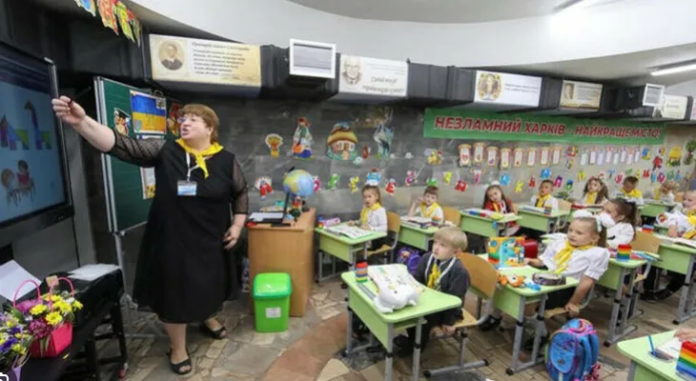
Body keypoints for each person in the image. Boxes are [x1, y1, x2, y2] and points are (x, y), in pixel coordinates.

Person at [52, 96, 248, 375]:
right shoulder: (165, 150)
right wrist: (82, 122)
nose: (185, 122)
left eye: (193, 119)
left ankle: (207, 316)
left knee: (209, 285)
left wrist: (237, 225)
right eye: (183, 118)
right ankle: (178, 347)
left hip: (211, 240)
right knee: (174, 294)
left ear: (210, 129)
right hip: (172, 241)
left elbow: (240, 192)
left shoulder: (227, 160)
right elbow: (121, 145)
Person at [481, 212, 610, 337]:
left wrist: (574, 302)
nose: (572, 235)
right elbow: (543, 261)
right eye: (570, 230)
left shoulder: (598, 253)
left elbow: (587, 281)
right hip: (545, 279)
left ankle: (541, 334)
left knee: (528, 303)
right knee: (501, 284)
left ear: (594, 237)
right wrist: (531, 261)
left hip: (564, 289)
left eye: (579, 233)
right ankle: (495, 315)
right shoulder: (561, 243)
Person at [394, 227, 470, 357]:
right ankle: (412, 339)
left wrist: (448, 322)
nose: (436, 248)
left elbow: (456, 299)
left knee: (423, 320)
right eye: (435, 243)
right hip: (429, 299)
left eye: (443, 245)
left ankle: (416, 347)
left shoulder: (459, 272)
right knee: (410, 309)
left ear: (456, 252)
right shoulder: (427, 257)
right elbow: (417, 279)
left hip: (446, 309)